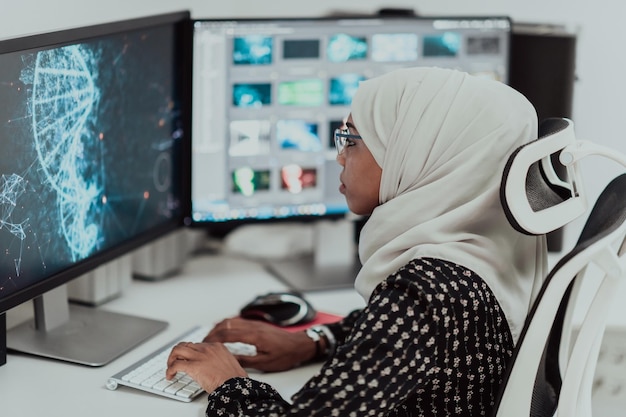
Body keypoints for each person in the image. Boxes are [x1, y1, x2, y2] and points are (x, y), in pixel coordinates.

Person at [166, 67, 548, 416]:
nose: (339, 157)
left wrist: (227, 382)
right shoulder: (484, 251)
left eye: (351, 140)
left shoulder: (424, 291)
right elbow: (403, 342)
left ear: (413, 152)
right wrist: (314, 341)